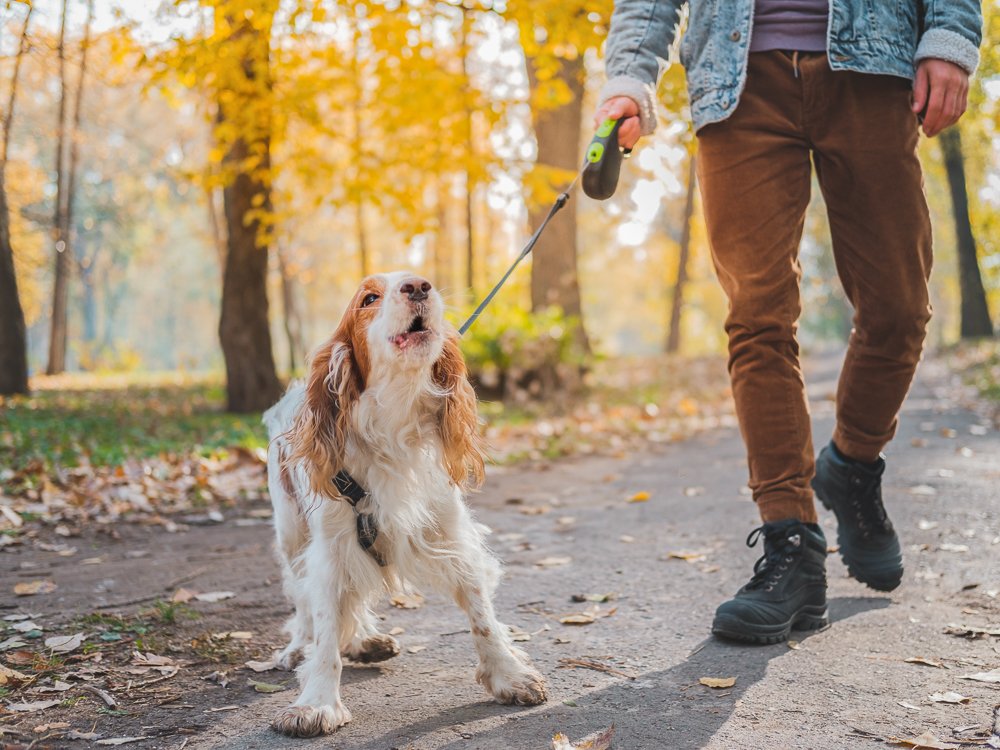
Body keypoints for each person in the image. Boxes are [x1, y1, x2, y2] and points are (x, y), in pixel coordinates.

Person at [594, 0, 983, 644]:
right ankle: (791, 542)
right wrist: (630, 77)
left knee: (898, 309)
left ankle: (852, 464)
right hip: (736, 80)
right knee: (757, 317)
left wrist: (949, 34)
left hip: (874, 68)